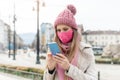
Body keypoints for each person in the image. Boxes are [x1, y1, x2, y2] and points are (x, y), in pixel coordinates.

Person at [43, 4, 97, 80]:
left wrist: (69, 68)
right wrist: (50, 70)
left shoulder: (86, 50)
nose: (61, 33)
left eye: (65, 29)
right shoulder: (53, 50)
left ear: (73, 30)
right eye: (58, 30)